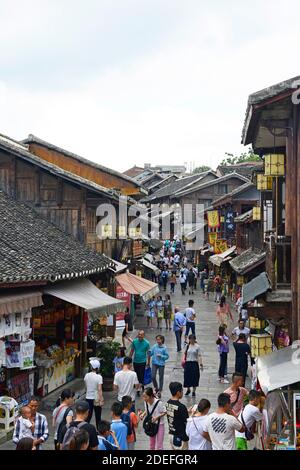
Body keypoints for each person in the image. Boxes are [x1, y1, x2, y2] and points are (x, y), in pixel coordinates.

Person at [166, 382, 189, 450]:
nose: (182, 392)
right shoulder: (182, 407)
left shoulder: (168, 403)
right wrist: (192, 414)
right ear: (178, 392)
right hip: (180, 437)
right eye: (182, 390)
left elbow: (175, 413)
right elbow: (187, 421)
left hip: (171, 434)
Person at [84, 358, 104, 430]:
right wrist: (101, 399)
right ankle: (99, 431)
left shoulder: (86, 375)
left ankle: (85, 429)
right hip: (96, 399)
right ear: (98, 368)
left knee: (88, 416)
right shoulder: (99, 377)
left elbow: (86, 387)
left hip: (88, 397)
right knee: (98, 416)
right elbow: (99, 389)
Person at [130, 330, 150, 395]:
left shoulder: (147, 343)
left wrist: (148, 362)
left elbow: (148, 353)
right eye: (139, 334)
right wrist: (129, 360)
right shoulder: (135, 341)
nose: (140, 336)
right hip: (135, 361)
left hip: (143, 361)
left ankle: (138, 389)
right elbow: (132, 351)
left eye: (141, 335)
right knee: (136, 374)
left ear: (144, 335)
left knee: (141, 374)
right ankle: (140, 385)